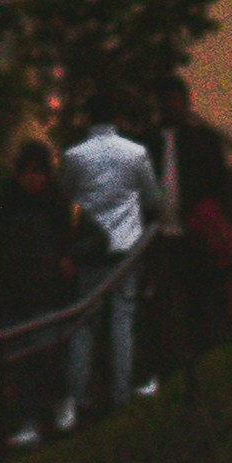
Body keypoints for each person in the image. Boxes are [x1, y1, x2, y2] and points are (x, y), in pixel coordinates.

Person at [58, 99, 165, 418]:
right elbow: (153, 199)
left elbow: (65, 197)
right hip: (125, 251)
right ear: (118, 118)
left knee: (83, 325)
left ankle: (78, 396)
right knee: (122, 321)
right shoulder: (136, 153)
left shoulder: (73, 156)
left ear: (87, 119)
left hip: (87, 251)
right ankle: (121, 395)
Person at [0, 138, 82, 447]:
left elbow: (79, 240)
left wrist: (67, 260)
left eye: (38, 172)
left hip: (45, 293)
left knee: (47, 355)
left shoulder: (55, 206)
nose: (33, 179)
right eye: (28, 173)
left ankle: (59, 404)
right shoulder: (4, 208)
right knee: (22, 364)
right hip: (13, 295)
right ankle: (29, 421)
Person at [151, 72, 232, 368]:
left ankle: (200, 358)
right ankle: (172, 362)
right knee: (164, 304)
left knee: (198, 301)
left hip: (195, 233)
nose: (172, 105)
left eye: (176, 99)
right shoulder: (149, 142)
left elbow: (219, 185)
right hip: (159, 236)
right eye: (168, 100)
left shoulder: (202, 140)